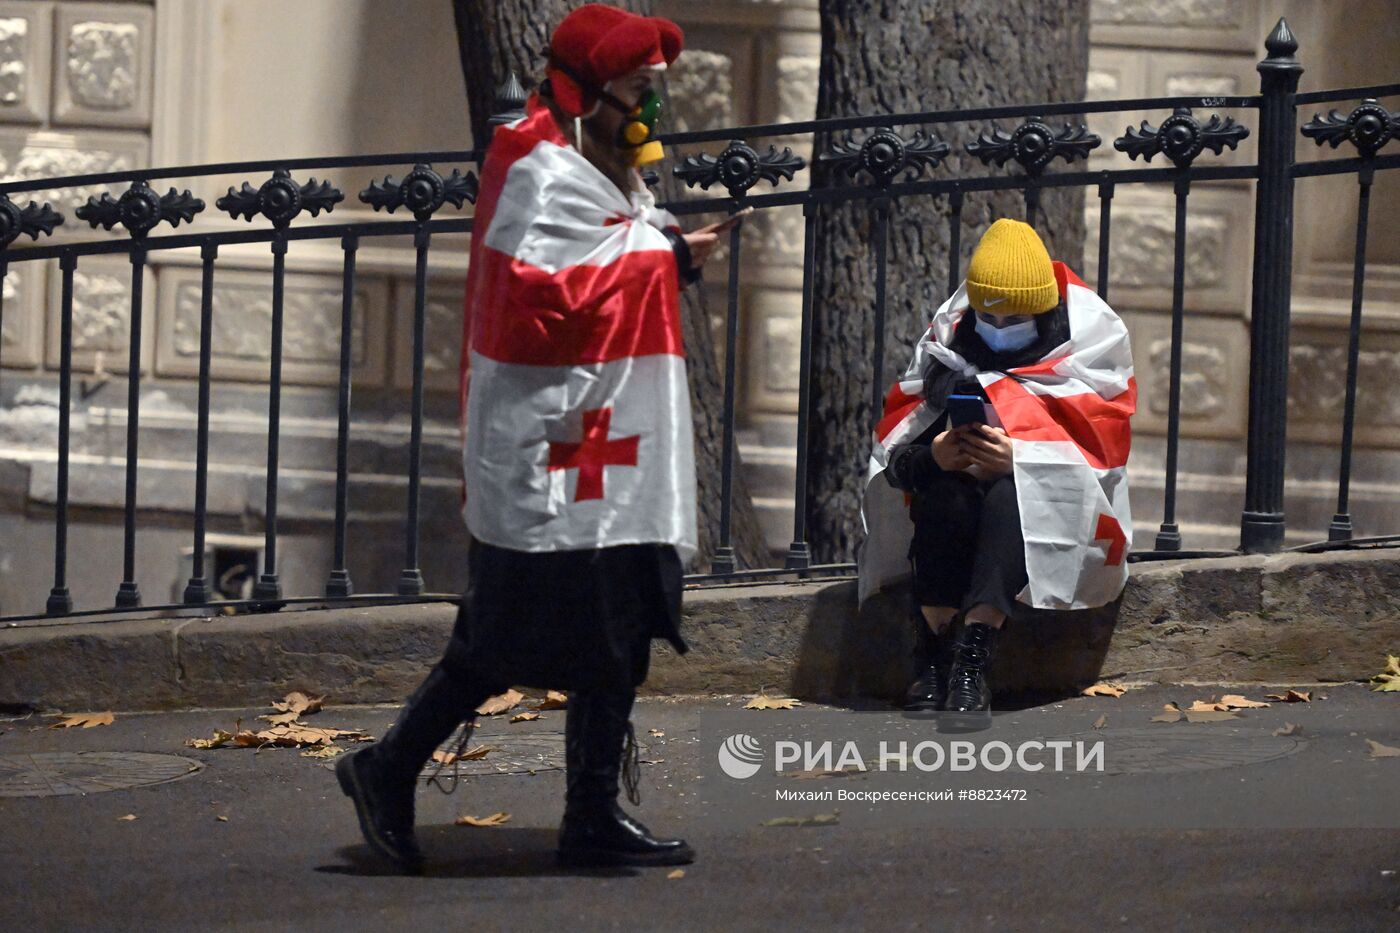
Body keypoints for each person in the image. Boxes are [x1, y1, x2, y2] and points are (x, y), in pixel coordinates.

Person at [338, 3, 729, 874]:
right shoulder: (537, 169)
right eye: (637, 89)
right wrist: (666, 261)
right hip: (545, 445)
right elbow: (546, 293)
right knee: (503, 636)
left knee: (620, 625)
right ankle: (386, 766)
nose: (649, 107)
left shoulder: (604, 165)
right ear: (587, 91)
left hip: (613, 438)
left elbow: (609, 256)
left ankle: (591, 812)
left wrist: (669, 251)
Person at [859, 219, 1136, 730]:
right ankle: (934, 650)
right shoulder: (949, 346)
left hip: (1036, 513)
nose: (1000, 327)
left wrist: (1025, 462)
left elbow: (1101, 461)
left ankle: (973, 657)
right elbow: (897, 457)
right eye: (988, 316)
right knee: (945, 494)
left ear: (1043, 311)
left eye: (1016, 318)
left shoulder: (1086, 352)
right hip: (955, 502)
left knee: (1012, 497)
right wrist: (934, 457)